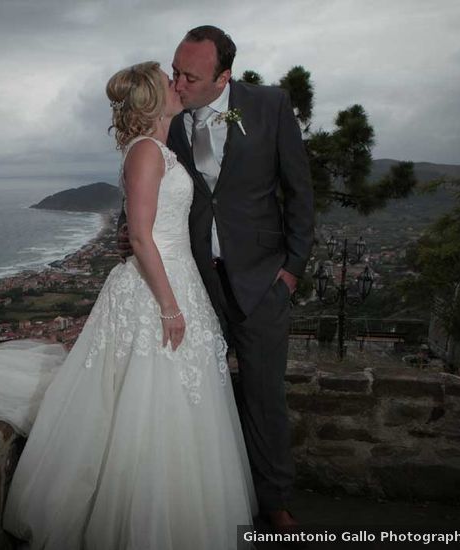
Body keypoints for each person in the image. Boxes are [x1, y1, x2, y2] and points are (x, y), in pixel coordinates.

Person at [0, 61, 256, 549]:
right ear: (152, 100)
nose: (178, 85)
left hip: (177, 280)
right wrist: (169, 307)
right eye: (169, 81)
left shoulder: (162, 149)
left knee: (181, 400)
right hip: (156, 291)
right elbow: (140, 236)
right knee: (146, 399)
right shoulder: (145, 153)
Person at [119, 26, 314, 534]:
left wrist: (291, 271)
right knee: (194, 395)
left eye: (191, 76)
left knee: (265, 398)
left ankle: (275, 504)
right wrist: (134, 234)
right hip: (193, 284)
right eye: (175, 70)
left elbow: (300, 192)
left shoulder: (270, 106)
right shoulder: (168, 120)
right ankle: (196, 501)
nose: (178, 83)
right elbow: (152, 195)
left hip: (262, 282)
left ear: (224, 76)